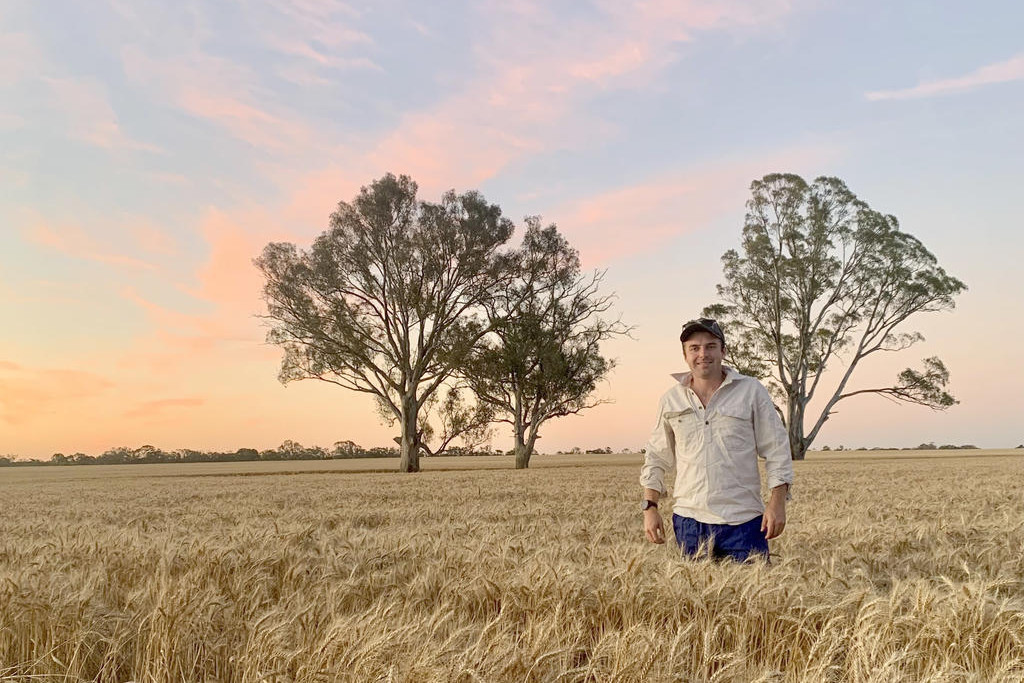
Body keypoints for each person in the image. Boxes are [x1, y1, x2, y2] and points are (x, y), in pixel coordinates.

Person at [640, 318, 793, 561]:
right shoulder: (670, 400)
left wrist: (778, 502)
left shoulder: (751, 391)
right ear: (685, 355)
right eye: (694, 348)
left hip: (744, 522)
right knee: (694, 598)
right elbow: (657, 456)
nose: (703, 354)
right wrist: (650, 507)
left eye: (711, 346)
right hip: (689, 522)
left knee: (752, 599)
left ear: (723, 350)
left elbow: (776, 449)